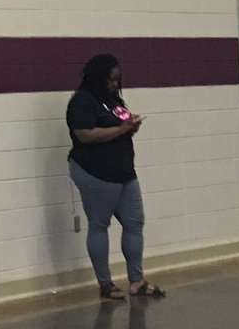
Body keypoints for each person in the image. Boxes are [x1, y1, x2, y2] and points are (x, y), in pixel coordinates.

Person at [66, 54, 165, 301]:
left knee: (134, 223)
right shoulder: (82, 102)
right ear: (98, 77)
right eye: (110, 80)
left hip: (124, 172)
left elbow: (118, 128)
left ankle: (136, 280)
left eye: (117, 80)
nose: (114, 84)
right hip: (96, 172)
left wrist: (130, 127)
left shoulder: (113, 100)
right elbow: (86, 135)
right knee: (100, 225)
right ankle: (105, 283)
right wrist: (121, 129)